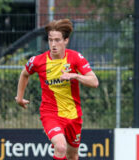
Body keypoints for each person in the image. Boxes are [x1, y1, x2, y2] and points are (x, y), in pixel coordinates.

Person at [15, 19, 99, 160]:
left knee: (72, 155)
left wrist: (75, 76)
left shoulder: (75, 58)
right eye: (50, 40)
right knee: (60, 147)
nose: (53, 44)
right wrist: (19, 97)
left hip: (73, 114)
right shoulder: (38, 61)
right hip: (50, 113)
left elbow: (94, 82)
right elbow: (24, 74)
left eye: (57, 40)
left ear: (66, 40)